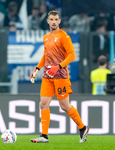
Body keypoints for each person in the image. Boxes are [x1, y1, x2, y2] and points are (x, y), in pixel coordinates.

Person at [30, 10, 89, 143]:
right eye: (52, 19)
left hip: (60, 75)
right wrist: (37, 68)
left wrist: (59, 66)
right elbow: (46, 56)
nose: (54, 21)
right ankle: (44, 136)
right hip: (47, 75)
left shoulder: (64, 36)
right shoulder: (46, 37)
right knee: (43, 104)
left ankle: (82, 128)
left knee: (64, 106)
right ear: (48, 21)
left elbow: (72, 55)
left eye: (56, 19)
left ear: (60, 21)